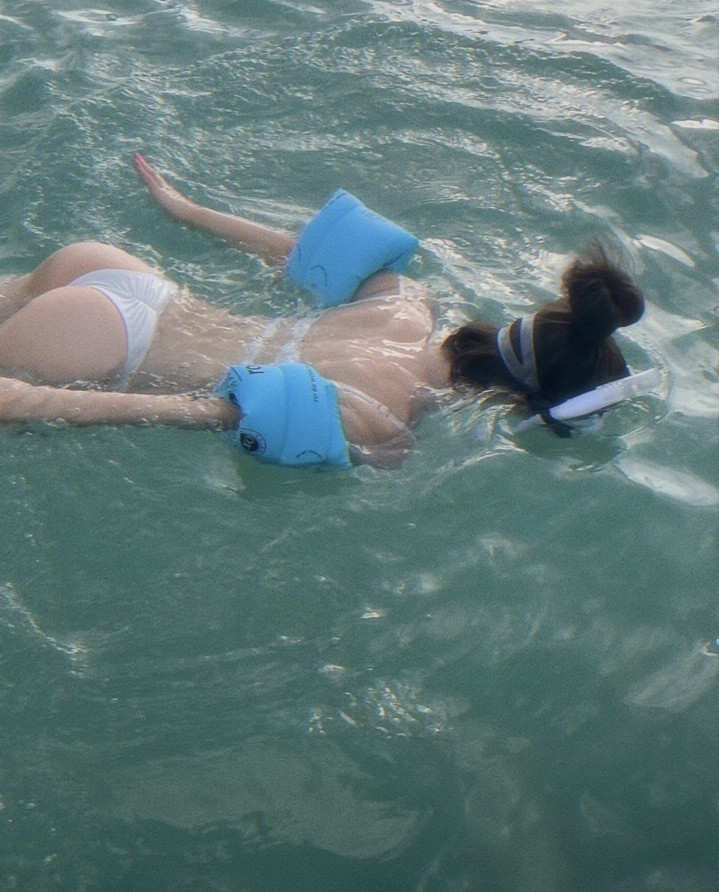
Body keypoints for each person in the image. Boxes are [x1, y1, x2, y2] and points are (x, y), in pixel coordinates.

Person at [0, 153, 645, 468]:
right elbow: (210, 411)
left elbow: (298, 254)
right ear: (519, 402)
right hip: (104, 344)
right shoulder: (380, 419)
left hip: (126, 277)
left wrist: (182, 208)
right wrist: (31, 403)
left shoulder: (408, 301)